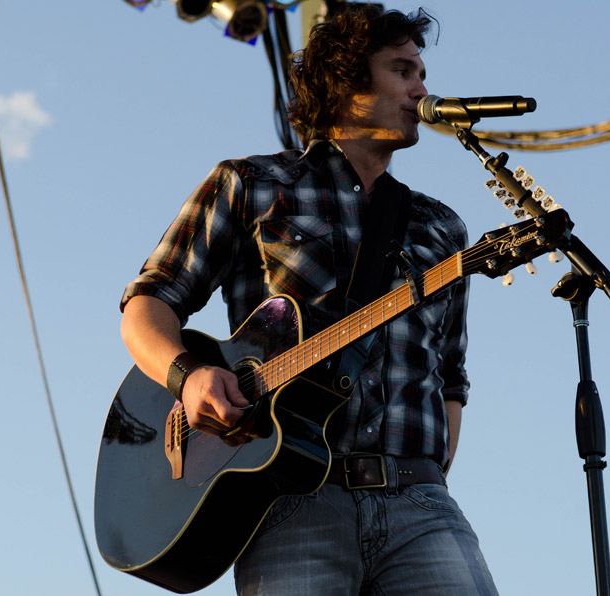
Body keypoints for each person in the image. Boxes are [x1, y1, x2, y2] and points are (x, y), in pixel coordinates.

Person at [119, 5, 499, 595]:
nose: (421, 88)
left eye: (421, 72)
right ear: (346, 84)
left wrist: (427, 477)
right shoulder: (250, 184)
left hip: (422, 507)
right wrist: (188, 377)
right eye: (403, 70)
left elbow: (451, 377)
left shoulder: (441, 227)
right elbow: (148, 304)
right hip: (290, 501)